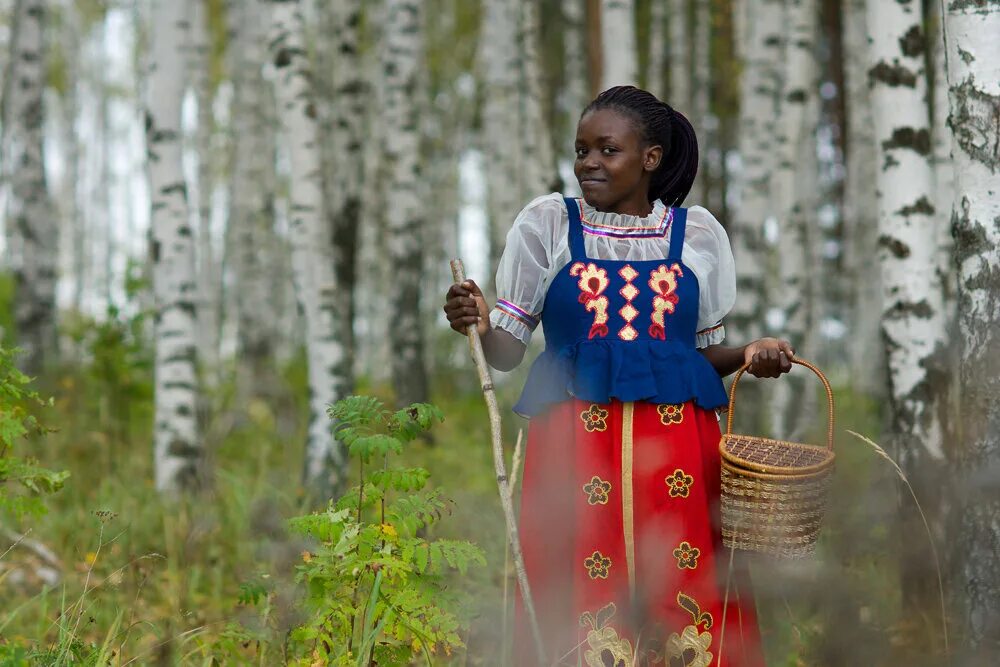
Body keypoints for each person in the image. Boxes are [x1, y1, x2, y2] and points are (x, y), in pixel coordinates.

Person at [444, 86, 791, 666]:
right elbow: (507, 352)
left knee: (684, 577)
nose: (589, 164)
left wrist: (751, 352)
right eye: (582, 151)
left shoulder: (695, 236)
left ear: (650, 158)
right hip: (575, 449)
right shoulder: (550, 228)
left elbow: (693, 357)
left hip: (680, 448)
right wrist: (477, 324)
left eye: (607, 150)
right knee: (581, 575)